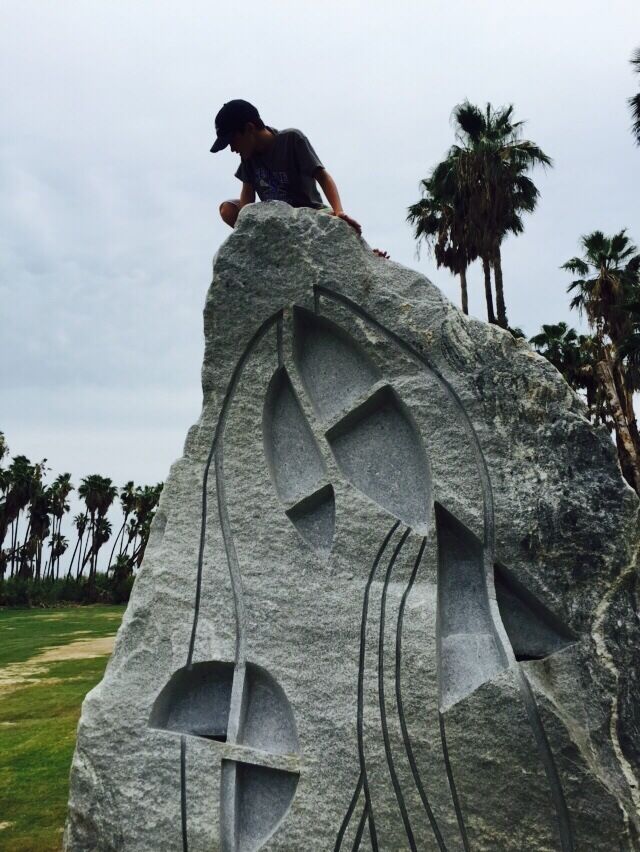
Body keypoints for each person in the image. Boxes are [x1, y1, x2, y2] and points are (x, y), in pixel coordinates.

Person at [210, 99, 388, 256]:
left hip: (309, 213)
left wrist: (339, 211)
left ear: (249, 128)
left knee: (338, 223)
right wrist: (245, 233)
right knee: (228, 209)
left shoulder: (291, 139)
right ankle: (269, 247)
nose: (232, 149)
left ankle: (368, 255)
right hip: (276, 218)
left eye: (232, 141)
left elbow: (323, 177)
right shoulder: (248, 158)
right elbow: (247, 203)